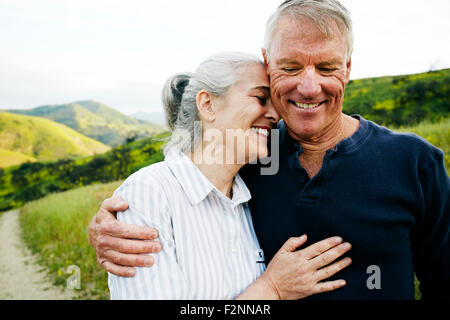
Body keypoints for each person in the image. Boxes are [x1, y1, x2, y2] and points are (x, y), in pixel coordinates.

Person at [89, 0, 450, 299]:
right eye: (290, 67)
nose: (309, 87)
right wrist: (113, 221)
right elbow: (180, 189)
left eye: (326, 67)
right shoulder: (249, 160)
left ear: (348, 68)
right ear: (268, 61)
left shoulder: (415, 162)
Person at [106, 51, 352, 299]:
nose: (275, 115)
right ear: (207, 104)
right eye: (260, 98)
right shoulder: (148, 195)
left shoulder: (247, 198)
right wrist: (272, 289)